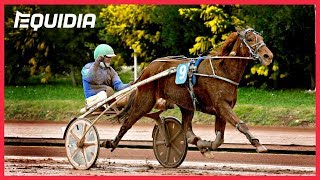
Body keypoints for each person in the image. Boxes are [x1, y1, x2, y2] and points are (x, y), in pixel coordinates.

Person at [81, 44, 130, 112]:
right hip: (93, 99)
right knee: (108, 90)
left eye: (111, 57)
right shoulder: (87, 67)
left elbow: (118, 85)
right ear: (100, 57)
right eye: (108, 57)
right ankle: (109, 105)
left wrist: (129, 85)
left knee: (126, 97)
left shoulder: (110, 70)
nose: (110, 59)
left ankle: (111, 105)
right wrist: (96, 63)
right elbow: (89, 78)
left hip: (107, 97)